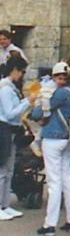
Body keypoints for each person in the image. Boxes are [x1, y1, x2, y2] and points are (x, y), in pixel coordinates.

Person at [29, 59, 70, 235]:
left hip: (53, 138)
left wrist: (35, 107)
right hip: (68, 138)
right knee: (66, 178)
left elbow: (39, 112)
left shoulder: (60, 93)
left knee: (54, 181)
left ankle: (49, 224)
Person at [0, 56, 35, 221]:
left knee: (9, 170)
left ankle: (5, 204)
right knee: (2, 169)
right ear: (14, 70)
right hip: (4, 129)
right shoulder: (5, 89)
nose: (22, 75)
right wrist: (27, 102)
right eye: (21, 72)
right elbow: (10, 113)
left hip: (11, 130)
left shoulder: (11, 88)